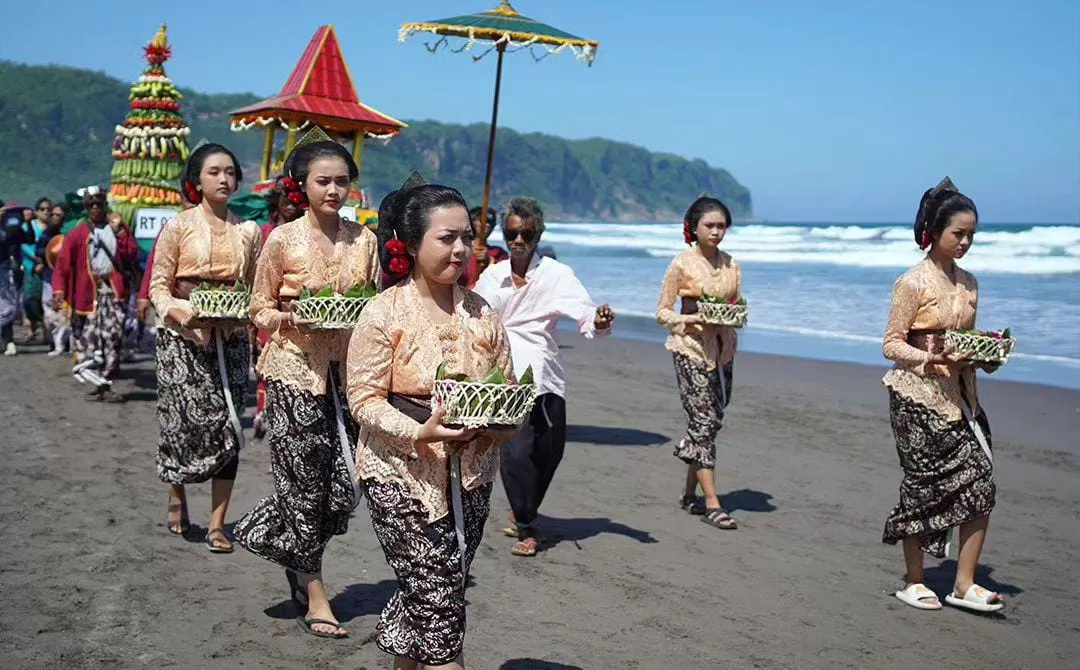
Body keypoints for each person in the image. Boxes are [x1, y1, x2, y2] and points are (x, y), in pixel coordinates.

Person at [346, 174, 515, 669]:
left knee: (436, 591)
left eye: (468, 237)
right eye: (447, 238)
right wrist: (419, 430)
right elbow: (364, 399)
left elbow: (505, 389)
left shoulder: (484, 313)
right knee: (440, 604)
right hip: (399, 475)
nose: (462, 249)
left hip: (474, 474)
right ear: (411, 243)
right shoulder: (383, 312)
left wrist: (500, 424)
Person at [233, 137, 379, 639]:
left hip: (346, 376)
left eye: (342, 180)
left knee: (343, 487)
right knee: (303, 484)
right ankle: (316, 592)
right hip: (293, 369)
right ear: (302, 186)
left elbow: (374, 307)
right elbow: (259, 308)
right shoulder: (281, 240)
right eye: (324, 181)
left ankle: (272, 536)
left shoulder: (366, 240)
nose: (335, 190)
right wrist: (290, 317)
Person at [882, 177, 1004, 614]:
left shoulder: (970, 283)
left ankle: (964, 583)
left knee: (981, 485)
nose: (966, 242)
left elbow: (966, 342)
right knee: (921, 489)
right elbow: (891, 343)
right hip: (916, 398)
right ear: (934, 231)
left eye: (972, 234)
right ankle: (914, 581)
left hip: (963, 399)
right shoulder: (912, 283)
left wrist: (985, 356)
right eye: (959, 233)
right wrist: (927, 360)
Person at [473, 196, 614, 556]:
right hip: (504, 376)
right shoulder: (491, 277)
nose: (518, 240)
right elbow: (473, 320)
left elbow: (583, 311)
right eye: (512, 233)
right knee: (516, 452)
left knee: (550, 452)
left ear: (538, 235)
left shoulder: (556, 275)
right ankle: (527, 525)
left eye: (527, 234)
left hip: (545, 374)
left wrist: (597, 320)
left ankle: (526, 508)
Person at [149, 143, 262, 552]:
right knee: (181, 423)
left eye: (230, 172)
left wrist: (241, 313)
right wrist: (182, 313)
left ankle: (218, 523)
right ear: (197, 180)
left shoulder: (247, 231)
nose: (224, 179)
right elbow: (159, 286)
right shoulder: (178, 227)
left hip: (229, 338)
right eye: (214, 171)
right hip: (183, 339)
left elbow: (253, 288)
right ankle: (177, 491)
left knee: (229, 427)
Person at [656, 195, 742, 531]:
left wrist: (732, 318)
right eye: (710, 225)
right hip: (689, 348)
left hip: (723, 351)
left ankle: (688, 494)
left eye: (722, 226)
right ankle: (712, 504)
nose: (717, 232)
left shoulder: (733, 264)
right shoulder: (681, 264)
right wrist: (689, 322)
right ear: (694, 228)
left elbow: (735, 304)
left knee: (711, 423)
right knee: (704, 422)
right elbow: (662, 311)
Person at [51, 186, 137, 399]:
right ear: (86, 207)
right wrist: (59, 291)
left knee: (113, 336)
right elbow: (63, 265)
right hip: (87, 294)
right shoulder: (77, 234)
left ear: (105, 204)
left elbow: (131, 253)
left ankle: (107, 380)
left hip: (112, 290)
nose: (96, 208)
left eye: (100, 203)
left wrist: (121, 234)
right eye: (92, 204)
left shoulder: (117, 227)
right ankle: (97, 379)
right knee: (90, 340)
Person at [251, 175, 304, 440]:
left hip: (299, 316)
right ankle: (264, 415)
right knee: (265, 366)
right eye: (285, 199)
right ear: (277, 201)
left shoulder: (307, 235)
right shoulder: (263, 234)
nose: (290, 205)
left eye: (295, 200)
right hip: (268, 309)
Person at [35, 200, 65, 355]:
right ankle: (53, 341)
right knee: (48, 306)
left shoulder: (67, 233)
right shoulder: (46, 234)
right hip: (49, 274)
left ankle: (62, 342)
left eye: (58, 215)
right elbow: (38, 251)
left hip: (64, 277)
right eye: (52, 214)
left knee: (62, 308)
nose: (54, 217)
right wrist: (50, 252)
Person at [20, 197, 51, 344]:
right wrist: (35, 258)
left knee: (44, 300)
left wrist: (44, 262)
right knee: (29, 299)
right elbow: (23, 244)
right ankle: (32, 326)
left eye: (48, 210)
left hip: (47, 267)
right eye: (42, 209)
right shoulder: (29, 226)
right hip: (30, 266)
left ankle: (46, 329)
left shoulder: (52, 227)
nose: (46, 212)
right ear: (36, 211)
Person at [458, 206, 508, 288]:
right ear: (471, 222)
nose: (487, 225)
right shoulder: (458, 248)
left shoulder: (499, 253)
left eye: (491, 222)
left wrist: (489, 261)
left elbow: (505, 276)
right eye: (483, 221)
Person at [1, 204, 25, 355]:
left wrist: (22, 223)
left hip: (4, 270)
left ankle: (9, 340)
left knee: (6, 306)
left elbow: (25, 239)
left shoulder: (9, 228)